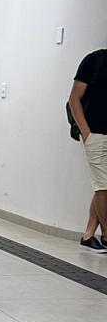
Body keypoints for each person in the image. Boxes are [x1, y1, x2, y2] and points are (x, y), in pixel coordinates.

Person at [68, 46, 107, 250]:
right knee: (103, 186)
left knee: (103, 185)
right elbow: (74, 99)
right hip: (96, 135)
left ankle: (89, 234)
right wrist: (86, 132)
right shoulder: (95, 60)